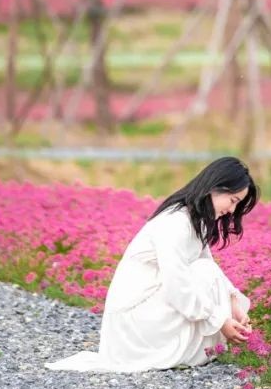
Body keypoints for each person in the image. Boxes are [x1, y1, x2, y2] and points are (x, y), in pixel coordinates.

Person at [46, 156, 258, 374]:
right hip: (133, 328)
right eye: (233, 201)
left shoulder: (197, 221)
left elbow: (208, 265)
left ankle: (193, 349)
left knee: (205, 270)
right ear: (215, 187)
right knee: (202, 273)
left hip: (150, 314)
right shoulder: (175, 222)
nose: (233, 211)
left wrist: (233, 304)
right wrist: (219, 320)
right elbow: (178, 285)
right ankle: (180, 350)